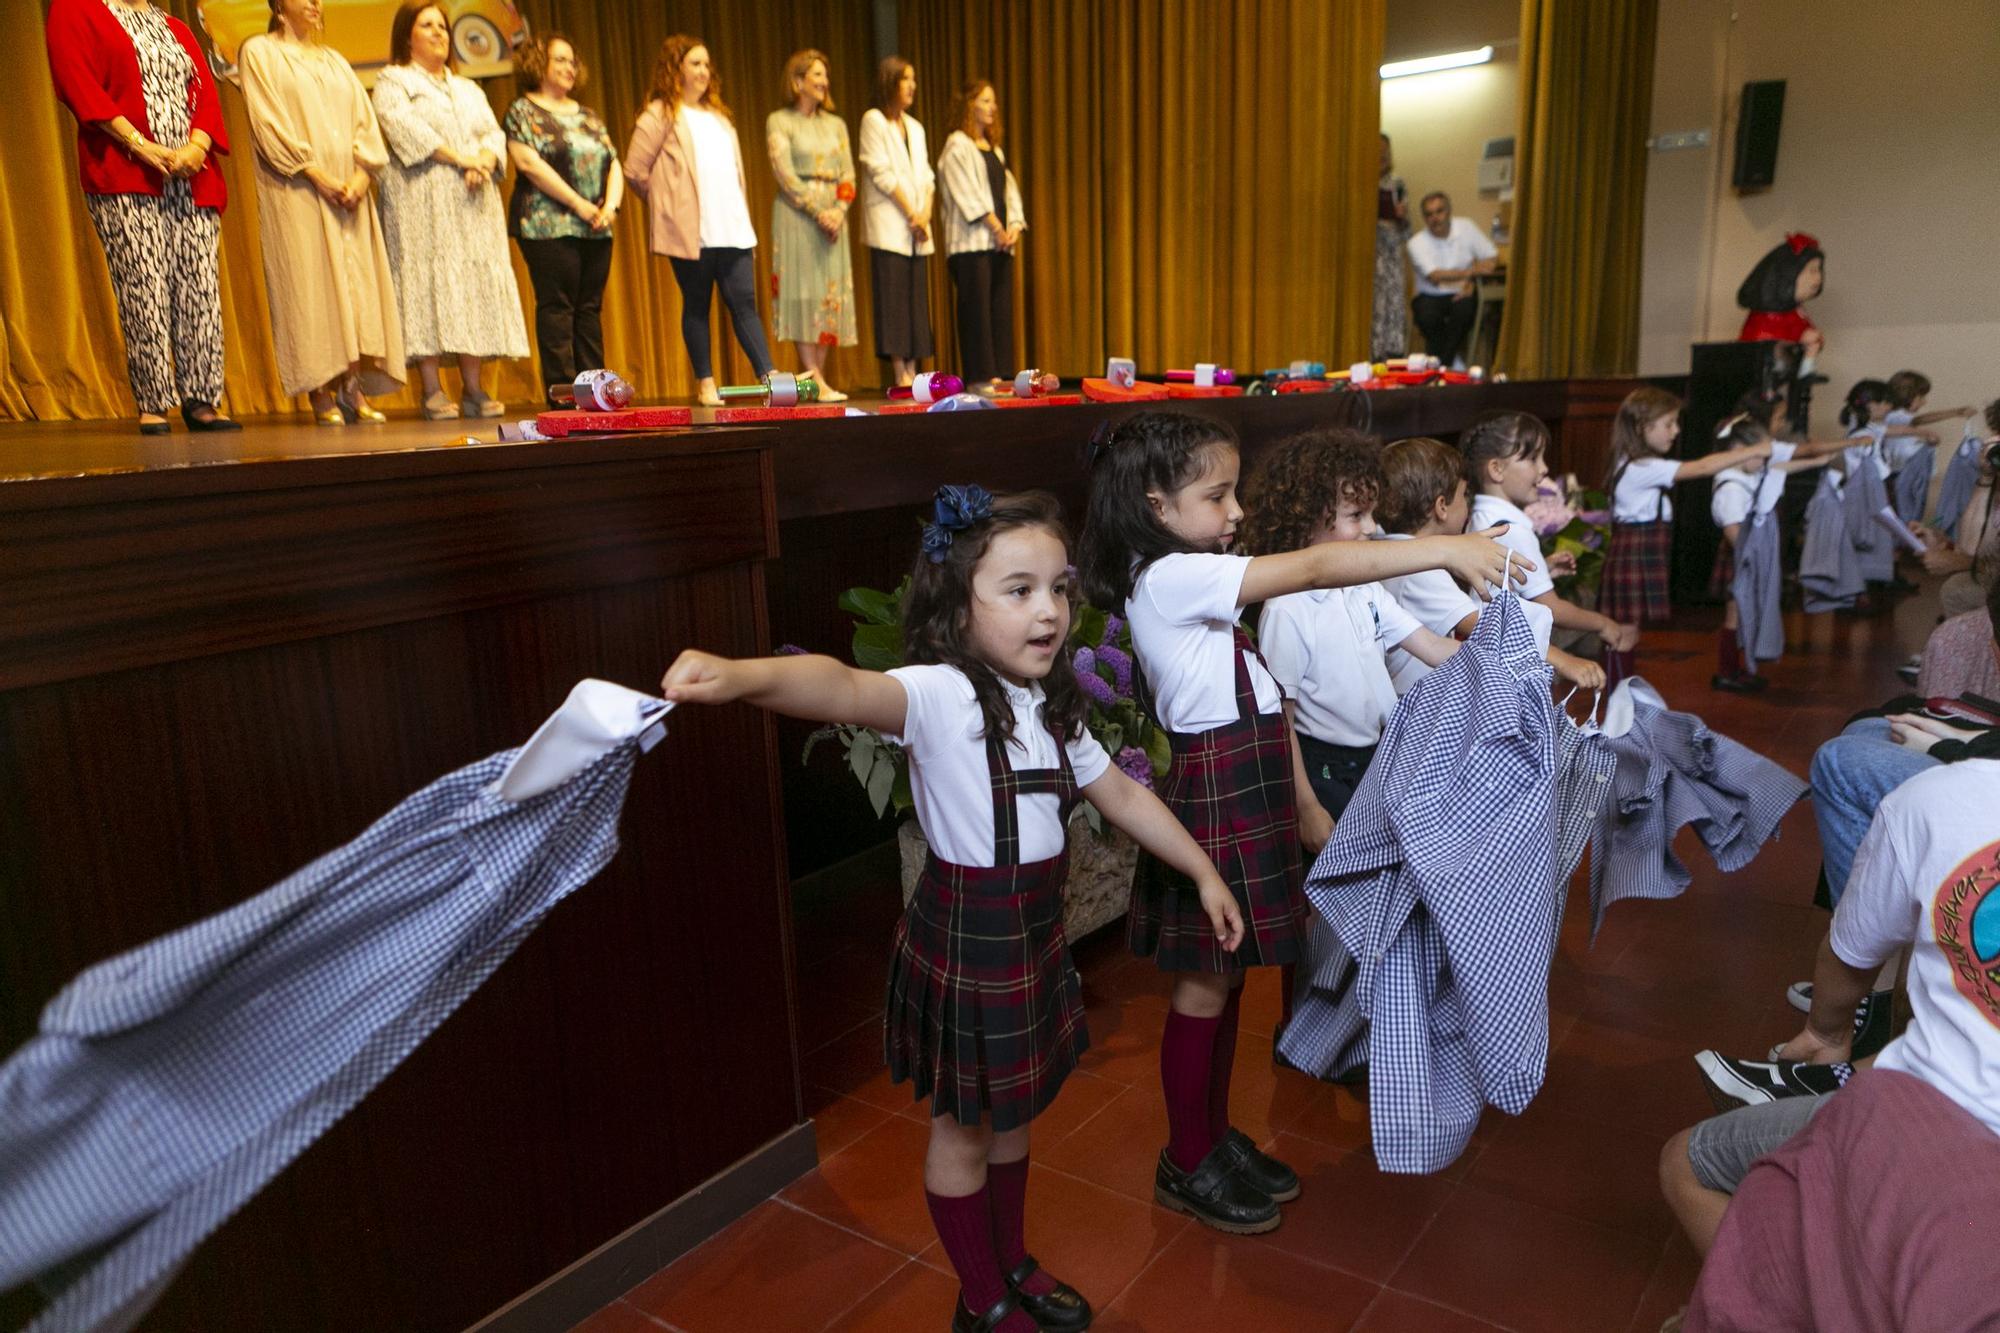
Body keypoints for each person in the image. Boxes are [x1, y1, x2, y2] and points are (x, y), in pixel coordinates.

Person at [661, 487, 1243, 1333]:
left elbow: (1118, 791)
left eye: (1059, 587)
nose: (1047, 610)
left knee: (1011, 1120)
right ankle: (983, 1296)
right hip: (969, 938)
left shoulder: (1051, 705)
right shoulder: (938, 694)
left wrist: (1202, 871)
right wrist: (742, 675)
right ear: (956, 607)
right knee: (966, 1130)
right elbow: (839, 686)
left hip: (1032, 936)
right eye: (1018, 590)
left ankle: (1010, 1260)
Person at [1077, 410, 1523, 1236]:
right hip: (1216, 787)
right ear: (1158, 506)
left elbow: (1266, 689)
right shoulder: (1169, 576)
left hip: (1244, 778)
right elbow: (1320, 565)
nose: (1237, 511)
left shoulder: (1192, 568)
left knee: (1231, 974)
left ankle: (1212, 1136)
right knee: (1204, 983)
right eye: (1217, 495)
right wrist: (1445, 547)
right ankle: (1186, 1156)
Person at [1659, 600, 2000, 1261]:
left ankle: (1790, 1298)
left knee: (1687, 1162)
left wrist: (1825, 1027)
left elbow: (1845, 959)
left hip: (1954, 1123)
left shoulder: (1937, 802)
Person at [45, 0, 239, 435]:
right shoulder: (76, 10)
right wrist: (140, 145)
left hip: (191, 175)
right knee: (143, 286)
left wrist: (197, 148)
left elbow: (205, 91)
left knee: (199, 286)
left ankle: (202, 399)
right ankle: (153, 401)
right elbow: (78, 83)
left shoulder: (174, 26)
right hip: (126, 171)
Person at [240, 0, 404, 426]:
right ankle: (320, 389)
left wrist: (361, 176)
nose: (315, 3)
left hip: (350, 190)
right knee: (312, 285)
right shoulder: (260, 52)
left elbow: (363, 122)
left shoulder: (333, 60)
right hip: (299, 188)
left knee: (355, 286)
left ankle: (352, 386)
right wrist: (316, 174)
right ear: (279, 5)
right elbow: (267, 123)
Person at [372, 1, 528, 420]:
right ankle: (432, 391)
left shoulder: (467, 87)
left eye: (442, 25)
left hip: (472, 203)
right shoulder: (394, 80)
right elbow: (403, 127)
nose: (439, 32)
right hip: (422, 201)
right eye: (428, 25)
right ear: (408, 36)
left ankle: (474, 389)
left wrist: (483, 159)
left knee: (471, 287)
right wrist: (462, 159)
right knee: (429, 284)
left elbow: (491, 133)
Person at [1375, 434, 1605, 695]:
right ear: (1441, 507)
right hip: (1424, 701)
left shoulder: (1391, 550)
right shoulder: (1419, 567)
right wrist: (1565, 661)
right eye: (1464, 495)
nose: (1468, 505)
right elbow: (1487, 628)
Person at [624, 35, 773, 407]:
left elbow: (735, 175)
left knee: (744, 303)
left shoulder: (720, 118)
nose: (704, 71)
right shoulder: (659, 114)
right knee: (696, 304)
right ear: (676, 69)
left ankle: (769, 378)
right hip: (692, 232)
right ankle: (705, 383)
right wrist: (668, 206)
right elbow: (635, 170)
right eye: (695, 64)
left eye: (707, 65)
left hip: (732, 227)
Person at [1591, 390, 1772, 685]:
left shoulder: (1637, 463)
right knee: (1623, 634)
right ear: (1642, 427)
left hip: (1637, 551)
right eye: (1668, 424)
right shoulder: (1640, 467)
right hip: (1632, 553)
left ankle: (1622, 701)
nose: (1675, 431)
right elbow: (1699, 468)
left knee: (1627, 632)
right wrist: (1752, 450)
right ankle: (1616, 705)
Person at [1463, 411, 1643, 680]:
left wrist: (1542, 567)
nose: (1544, 468)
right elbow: (1553, 609)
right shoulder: (1513, 529)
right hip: (1512, 659)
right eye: (1533, 458)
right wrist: (1604, 624)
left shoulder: (1480, 517)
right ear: (1496, 469)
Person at [504, 34, 622, 407]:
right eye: (560, 60)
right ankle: (563, 397)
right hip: (546, 227)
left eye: (573, 61)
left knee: (589, 309)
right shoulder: (523, 111)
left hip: (596, 227)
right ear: (539, 65)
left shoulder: (588, 116)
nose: (570, 67)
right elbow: (528, 165)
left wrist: (610, 207)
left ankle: (595, 393)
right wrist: (579, 205)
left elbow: (612, 161)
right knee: (558, 308)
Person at [1706, 411, 1843, 690]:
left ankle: (1739, 667)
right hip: (1741, 557)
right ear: (1737, 451)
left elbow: (1780, 468)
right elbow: (1735, 534)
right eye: (1762, 455)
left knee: (1746, 613)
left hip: (1751, 555)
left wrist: (1816, 461)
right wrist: (1757, 562)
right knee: (1735, 614)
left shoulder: (1749, 472)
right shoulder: (1730, 485)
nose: (1767, 461)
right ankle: (1727, 672)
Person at [764, 50, 857, 401]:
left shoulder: (836, 124)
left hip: (833, 215)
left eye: (825, 75)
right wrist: (820, 212)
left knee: (827, 292)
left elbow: (848, 172)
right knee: (803, 292)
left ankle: (821, 376)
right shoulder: (780, 120)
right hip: (798, 215)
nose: (823, 82)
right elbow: (784, 172)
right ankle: (813, 377)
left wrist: (839, 210)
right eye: (816, 75)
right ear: (798, 81)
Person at [937, 79, 1024, 386]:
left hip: (999, 244)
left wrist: (1013, 224)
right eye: (986, 101)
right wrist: (995, 226)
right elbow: (967, 193)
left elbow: (1009, 190)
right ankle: (980, 376)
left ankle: (999, 374)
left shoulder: (995, 150)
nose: (992, 107)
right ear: (969, 105)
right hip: (971, 244)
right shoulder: (957, 145)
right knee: (976, 310)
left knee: (999, 310)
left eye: (993, 102)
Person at [858, 57, 936, 388]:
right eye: (906, 79)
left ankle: (915, 371)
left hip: (918, 225)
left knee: (916, 299)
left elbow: (927, 176)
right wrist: (911, 214)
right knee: (893, 299)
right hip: (892, 223)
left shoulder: (915, 128)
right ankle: (900, 372)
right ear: (891, 83)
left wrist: (925, 215)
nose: (912, 86)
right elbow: (881, 173)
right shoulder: (873, 120)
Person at [1403, 191, 1494, 372]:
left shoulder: (1466, 227)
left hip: (1462, 292)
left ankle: (1441, 364)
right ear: (1424, 218)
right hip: (1429, 295)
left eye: (1439, 211)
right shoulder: (1415, 243)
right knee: (1427, 317)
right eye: (1429, 214)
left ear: (1449, 211)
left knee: (1465, 311)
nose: (1435, 218)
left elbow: (1491, 258)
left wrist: (1471, 282)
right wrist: (1472, 272)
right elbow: (1435, 276)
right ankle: (1450, 363)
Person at [1736, 232, 1825, 361]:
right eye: (1812, 270)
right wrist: (1801, 344)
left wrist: (1813, 342)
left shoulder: (1796, 311)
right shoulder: (1766, 318)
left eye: (1819, 270)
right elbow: (1767, 353)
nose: (1818, 278)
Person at [1371, 134, 1409, 360]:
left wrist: (1400, 217)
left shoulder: (1397, 184)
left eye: (1385, 152)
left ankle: (1392, 357)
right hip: (1368, 255)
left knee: (1392, 308)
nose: (1382, 157)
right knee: (1373, 309)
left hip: (1391, 254)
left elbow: (1407, 230)